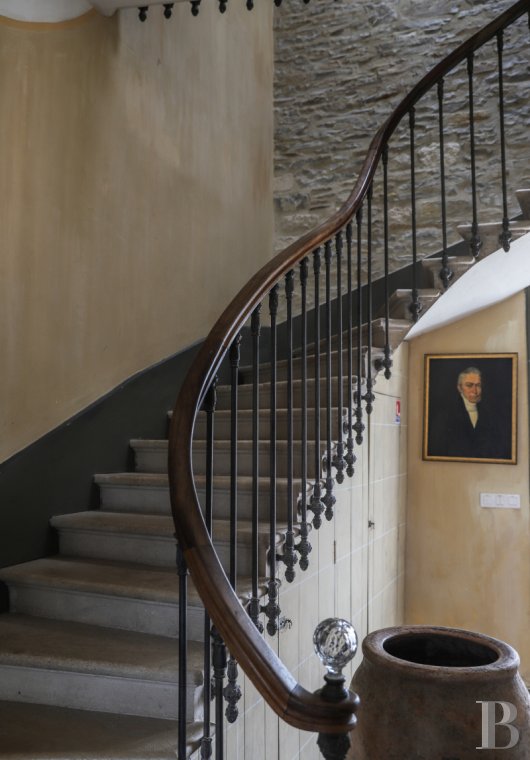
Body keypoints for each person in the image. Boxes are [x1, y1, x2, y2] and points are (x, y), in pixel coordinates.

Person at [427, 366, 511, 460]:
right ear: (459, 388)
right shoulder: (445, 415)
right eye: (469, 385)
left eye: (478, 385)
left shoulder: (491, 413)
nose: (475, 391)